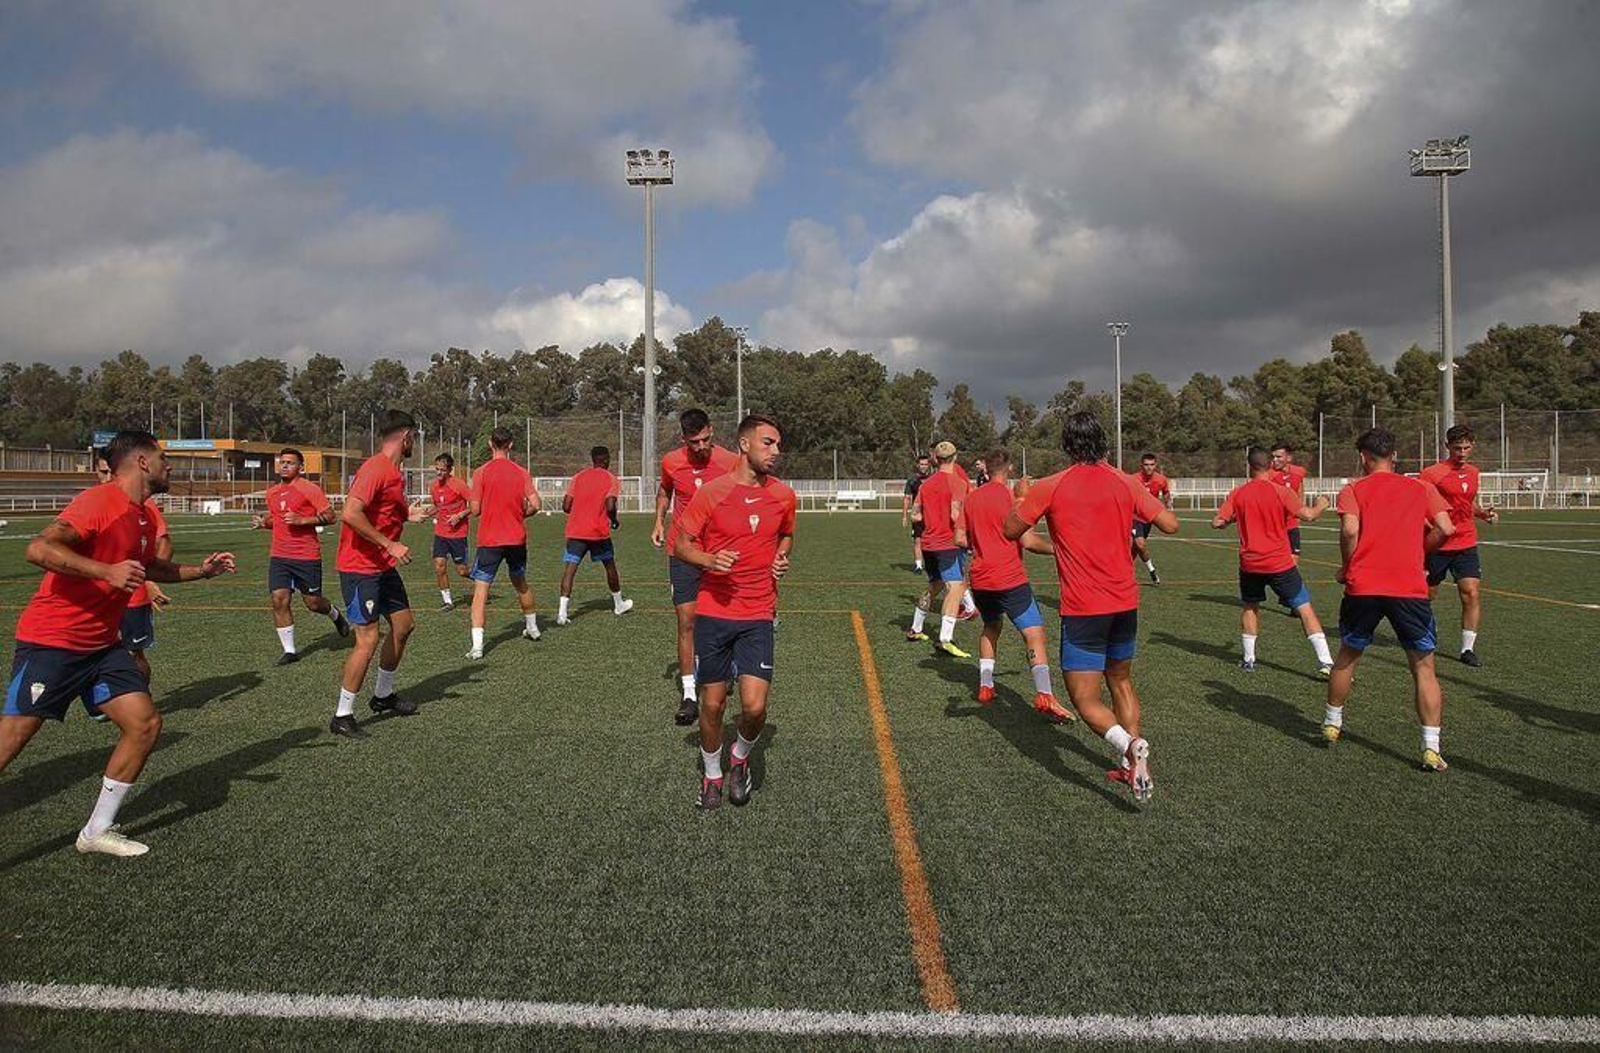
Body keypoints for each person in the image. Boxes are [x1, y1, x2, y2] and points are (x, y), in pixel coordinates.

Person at [1, 430, 236, 856]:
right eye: (163, 458)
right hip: (53, 642)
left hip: (101, 647)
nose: (170, 466)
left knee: (144, 724)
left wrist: (201, 572)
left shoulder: (144, 515)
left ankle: (95, 832)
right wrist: (104, 571)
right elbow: (38, 549)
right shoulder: (100, 502)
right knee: (11, 740)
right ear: (142, 463)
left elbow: (150, 569)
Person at [1005, 412, 1178, 803]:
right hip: (1125, 602)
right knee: (1121, 680)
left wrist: (1021, 497)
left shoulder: (1052, 485)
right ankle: (1134, 761)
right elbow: (1170, 523)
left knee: (1084, 699)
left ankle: (1129, 748)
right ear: (1101, 442)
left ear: (1067, 446)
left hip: (1084, 607)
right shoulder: (1126, 481)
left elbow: (1010, 530)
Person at [673, 414, 796, 811]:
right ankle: (711, 774)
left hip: (758, 612)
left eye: (777, 444)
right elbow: (681, 545)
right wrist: (709, 559)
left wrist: (781, 556)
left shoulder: (783, 496)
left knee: (755, 707)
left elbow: (787, 534)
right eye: (768, 443)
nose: (776, 451)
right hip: (714, 612)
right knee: (711, 706)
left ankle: (739, 759)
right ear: (744, 445)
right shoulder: (712, 493)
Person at [1323, 428, 1455, 770]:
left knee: (1348, 655)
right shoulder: (1421, 487)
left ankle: (1333, 724)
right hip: (1408, 587)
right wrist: (1420, 553)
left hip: (1363, 585)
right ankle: (1430, 747)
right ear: (1393, 455)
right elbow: (1446, 529)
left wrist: (1347, 566)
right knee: (1423, 666)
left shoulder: (1354, 489)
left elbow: (1350, 530)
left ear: (1364, 457)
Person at [330, 410, 428, 737]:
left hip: (381, 566)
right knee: (367, 640)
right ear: (406, 436)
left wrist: (409, 515)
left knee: (403, 625)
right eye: (415, 436)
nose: (415, 441)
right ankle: (342, 715)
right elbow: (350, 513)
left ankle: (383, 695)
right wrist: (390, 544)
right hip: (360, 568)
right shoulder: (375, 468)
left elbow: (385, 510)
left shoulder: (394, 473)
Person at [963, 450, 1072, 723]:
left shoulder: (971, 498)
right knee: (1034, 633)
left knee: (991, 627)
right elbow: (1029, 542)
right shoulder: (1011, 498)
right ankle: (1045, 694)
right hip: (1009, 578)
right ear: (1009, 469)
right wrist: (1059, 550)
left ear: (986, 468)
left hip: (980, 578)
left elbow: (958, 538)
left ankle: (986, 686)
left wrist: (983, 543)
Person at [1212, 448, 1336, 675]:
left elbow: (1217, 522)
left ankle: (1249, 659)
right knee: (1304, 608)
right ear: (1270, 465)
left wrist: (1229, 520)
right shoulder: (1281, 492)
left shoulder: (1238, 494)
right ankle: (1326, 661)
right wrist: (1322, 504)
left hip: (1250, 563)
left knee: (1251, 606)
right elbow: (1308, 515)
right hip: (1279, 562)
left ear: (1249, 466)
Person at [652, 408, 740, 726]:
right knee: (687, 621)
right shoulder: (671, 462)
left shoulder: (731, 461)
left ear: (712, 431)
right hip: (684, 551)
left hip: (720, 552)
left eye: (705, 439)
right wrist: (659, 521)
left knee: (722, 618)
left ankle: (725, 668)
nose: (701, 447)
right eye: (694, 442)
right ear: (683, 439)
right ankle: (690, 695)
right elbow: (665, 491)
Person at [253, 447, 349, 665]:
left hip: (306, 556)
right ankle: (290, 651)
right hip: (279, 556)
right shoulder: (272, 493)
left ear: (301, 467)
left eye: (290, 462)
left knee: (313, 603)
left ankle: (334, 614)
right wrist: (264, 523)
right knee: (279, 599)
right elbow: (277, 520)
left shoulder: (310, 489)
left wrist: (303, 521)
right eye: (282, 462)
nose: (285, 465)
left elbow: (331, 517)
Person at [1419, 424, 1499, 667]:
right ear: (1447, 447)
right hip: (1439, 544)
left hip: (1466, 541)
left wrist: (1483, 513)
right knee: (1427, 595)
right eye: (1457, 448)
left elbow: (1467, 503)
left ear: (1472, 446)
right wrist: (1430, 529)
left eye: (1466, 448)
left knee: (1471, 593)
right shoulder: (1431, 473)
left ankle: (1467, 649)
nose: (1462, 453)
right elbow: (1420, 504)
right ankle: (1423, 635)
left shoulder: (1474, 472)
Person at [94, 454, 170, 694]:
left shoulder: (143, 505)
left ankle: (139, 698)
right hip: (97, 597)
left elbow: (164, 543)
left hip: (133, 599)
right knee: (93, 651)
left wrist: (149, 579)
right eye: (102, 472)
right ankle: (104, 699)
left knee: (133, 654)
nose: (107, 478)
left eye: (111, 473)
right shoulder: (91, 503)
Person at [466, 426, 542, 659]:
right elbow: (536, 504)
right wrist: (521, 514)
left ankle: (478, 647)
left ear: (490, 444)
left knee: (481, 591)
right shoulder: (521, 472)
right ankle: (533, 628)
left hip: (490, 539)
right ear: (510, 445)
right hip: (516, 538)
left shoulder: (481, 473)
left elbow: (475, 510)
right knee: (520, 582)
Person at [907, 440, 972, 657]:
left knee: (934, 585)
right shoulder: (958, 483)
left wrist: (933, 518)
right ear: (955, 457)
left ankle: (916, 628)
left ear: (935, 459)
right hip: (948, 544)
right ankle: (945, 638)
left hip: (928, 543)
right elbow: (955, 515)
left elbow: (915, 515)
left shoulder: (926, 485)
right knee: (956, 587)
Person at [558, 445, 634, 625]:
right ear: (607, 459)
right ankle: (618, 604)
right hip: (598, 532)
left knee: (570, 570)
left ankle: (562, 613)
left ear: (592, 460)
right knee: (609, 566)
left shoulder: (578, 477)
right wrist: (613, 519)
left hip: (576, 531)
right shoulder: (611, 479)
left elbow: (566, 506)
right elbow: (610, 505)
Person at [428, 452, 472, 611]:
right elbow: (438, 507)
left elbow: (474, 504)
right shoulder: (433, 486)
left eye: (442, 470)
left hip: (458, 535)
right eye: (437, 469)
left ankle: (479, 577)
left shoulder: (459, 485)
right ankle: (447, 601)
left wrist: (460, 515)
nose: (439, 473)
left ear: (450, 470)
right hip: (440, 534)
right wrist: (425, 513)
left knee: (462, 571)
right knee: (439, 566)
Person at [1129, 453, 1170, 585]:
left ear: (1155, 465)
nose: (1149, 467)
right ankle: (1125, 573)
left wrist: (1167, 505)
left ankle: (1152, 572)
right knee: (1140, 543)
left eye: (1151, 465)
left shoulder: (1161, 479)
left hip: (1148, 518)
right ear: (1141, 465)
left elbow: (1166, 492)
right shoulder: (1133, 479)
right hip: (1134, 516)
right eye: (1146, 465)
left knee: (1137, 548)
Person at [1270, 443, 1309, 557]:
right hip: (1274, 527)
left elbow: (1300, 492)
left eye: (1278, 457)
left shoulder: (1299, 472)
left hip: (1291, 525)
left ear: (1289, 458)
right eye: (1273, 457)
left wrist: (1300, 510)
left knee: (1294, 560)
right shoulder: (1269, 475)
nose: (1274, 460)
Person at [902, 454, 932, 574]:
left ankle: (931, 564)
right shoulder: (912, 480)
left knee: (931, 540)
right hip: (918, 515)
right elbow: (907, 498)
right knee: (917, 540)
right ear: (917, 465)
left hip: (932, 515)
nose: (923, 466)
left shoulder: (933, 479)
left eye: (925, 464)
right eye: (921, 464)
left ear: (929, 465)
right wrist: (904, 516)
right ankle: (918, 565)